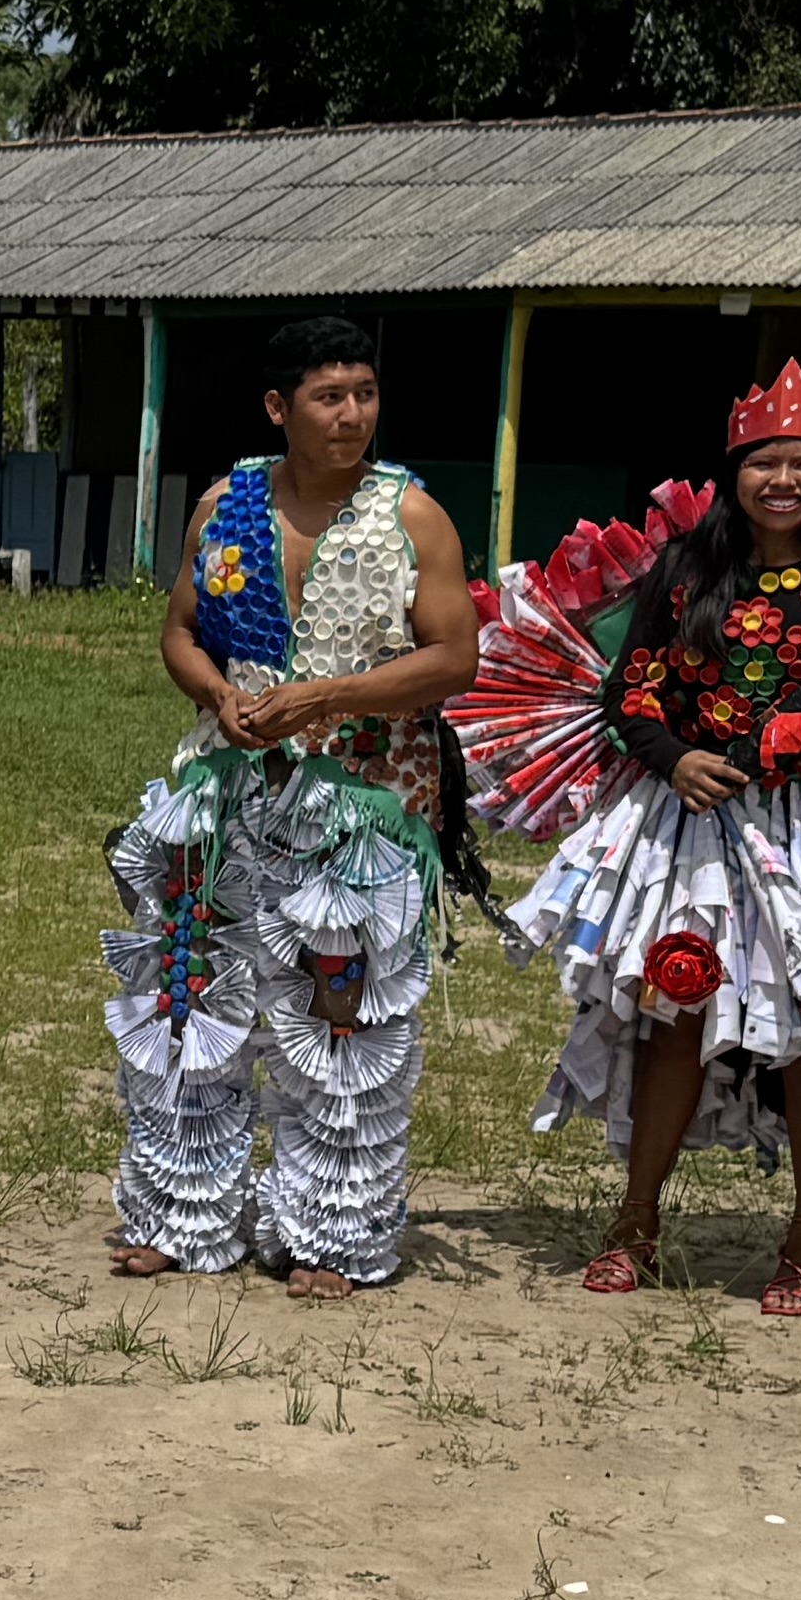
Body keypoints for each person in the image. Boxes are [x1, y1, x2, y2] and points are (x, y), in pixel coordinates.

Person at [493, 365, 801, 1316]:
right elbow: (630, 692)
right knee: (673, 1015)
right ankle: (634, 1221)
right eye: (765, 461)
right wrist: (675, 758)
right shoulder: (687, 575)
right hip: (697, 825)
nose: (783, 480)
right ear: (733, 473)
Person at [103, 315, 480, 1297]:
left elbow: (453, 657)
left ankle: (331, 1233)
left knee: (336, 1019)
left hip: (360, 813)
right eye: (328, 396)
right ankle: (182, 1216)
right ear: (280, 408)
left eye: (364, 393)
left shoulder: (412, 517)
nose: (351, 414)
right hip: (223, 800)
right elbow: (182, 629)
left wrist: (324, 698)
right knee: (190, 1001)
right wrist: (217, 695)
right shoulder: (228, 505)